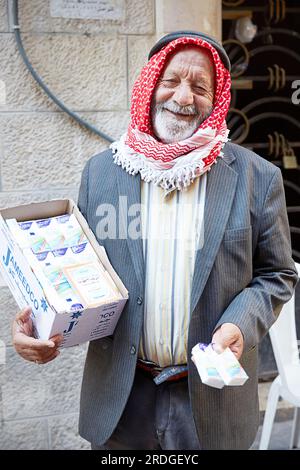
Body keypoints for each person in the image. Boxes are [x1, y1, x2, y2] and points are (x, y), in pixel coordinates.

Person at [12, 31, 298, 450]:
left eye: (200, 87)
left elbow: (277, 274)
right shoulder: (102, 173)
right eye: (171, 81)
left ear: (216, 101)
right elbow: (71, 270)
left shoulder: (257, 177)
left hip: (211, 402)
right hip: (122, 397)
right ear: (149, 86)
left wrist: (240, 321)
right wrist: (38, 324)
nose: (183, 98)